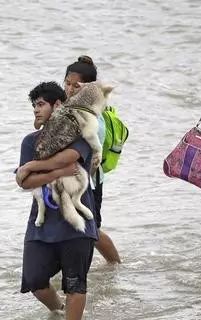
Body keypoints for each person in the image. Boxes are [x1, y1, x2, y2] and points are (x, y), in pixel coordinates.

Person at [15, 81, 98, 320]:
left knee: (75, 283)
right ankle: (60, 311)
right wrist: (54, 172)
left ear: (58, 105)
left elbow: (72, 157)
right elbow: (25, 183)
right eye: (33, 106)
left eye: (41, 104)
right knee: (34, 280)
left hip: (76, 223)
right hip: (41, 224)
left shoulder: (80, 132)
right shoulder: (30, 142)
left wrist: (30, 167)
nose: (36, 110)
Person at [63, 55, 123, 264]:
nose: (70, 89)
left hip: (90, 182)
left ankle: (115, 265)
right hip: (71, 178)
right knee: (78, 228)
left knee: (91, 231)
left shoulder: (93, 116)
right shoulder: (68, 108)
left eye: (75, 86)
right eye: (67, 83)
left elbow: (87, 155)